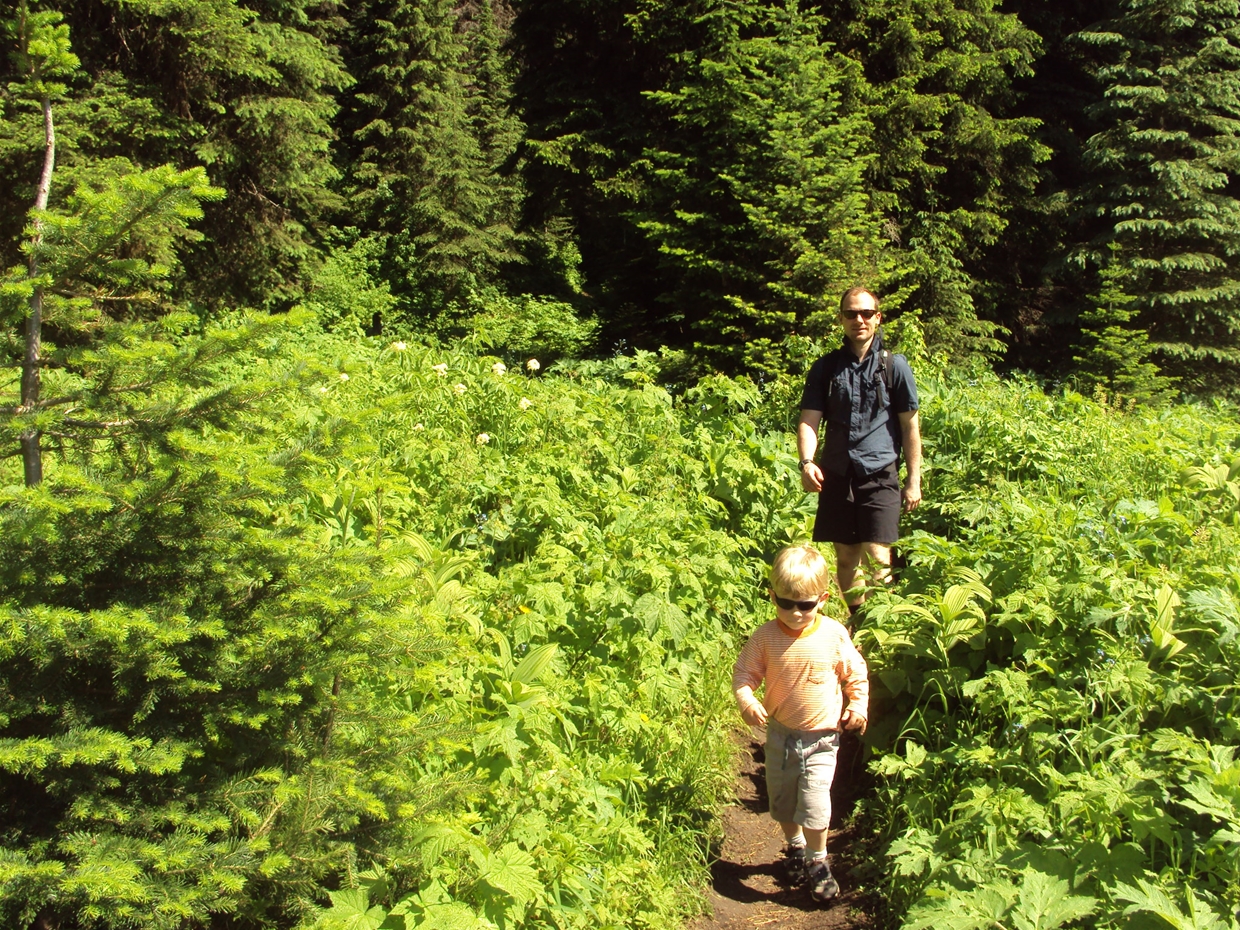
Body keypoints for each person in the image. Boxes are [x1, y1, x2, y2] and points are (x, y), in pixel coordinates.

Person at [732, 545, 869, 903]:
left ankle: (818, 860)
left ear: (822, 599)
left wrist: (859, 704)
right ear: (771, 595)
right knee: (782, 800)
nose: (795, 612)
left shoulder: (834, 635)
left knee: (814, 802)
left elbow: (855, 673)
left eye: (805, 605)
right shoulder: (765, 637)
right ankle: (794, 846)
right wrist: (746, 700)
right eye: (785, 603)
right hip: (779, 735)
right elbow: (744, 674)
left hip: (822, 738)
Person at [797, 286, 921, 615]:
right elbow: (809, 421)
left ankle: (885, 625)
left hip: (880, 473)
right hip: (836, 474)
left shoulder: (896, 366)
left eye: (866, 313)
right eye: (851, 314)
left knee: (879, 554)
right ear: (841, 319)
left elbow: (910, 426)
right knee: (847, 557)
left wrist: (914, 481)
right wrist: (807, 462)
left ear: (878, 318)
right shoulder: (825, 368)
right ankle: (859, 624)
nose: (859, 320)